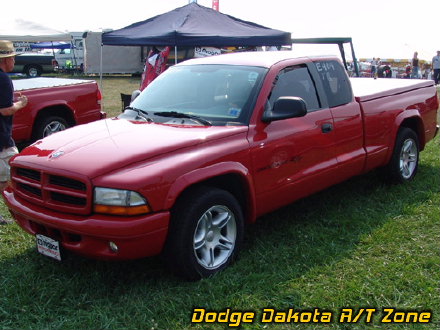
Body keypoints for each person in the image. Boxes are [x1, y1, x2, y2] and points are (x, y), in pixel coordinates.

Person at [0, 40, 28, 215]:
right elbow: (5, 110)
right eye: (12, 58)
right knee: (15, 173)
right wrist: (21, 104)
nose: (14, 62)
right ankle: (23, 210)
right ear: (5, 60)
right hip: (2, 140)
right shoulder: (3, 79)